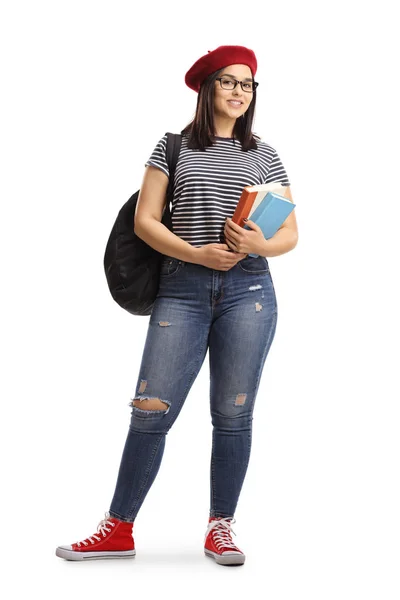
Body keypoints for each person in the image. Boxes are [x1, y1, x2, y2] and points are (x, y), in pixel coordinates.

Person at [56, 44, 298, 566]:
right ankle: (118, 528)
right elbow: (146, 220)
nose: (239, 91)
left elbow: (290, 234)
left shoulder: (264, 155)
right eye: (229, 81)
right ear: (208, 87)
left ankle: (220, 529)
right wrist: (195, 251)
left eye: (248, 83)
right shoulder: (172, 147)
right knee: (150, 410)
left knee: (233, 415)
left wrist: (258, 244)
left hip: (249, 291)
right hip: (182, 289)